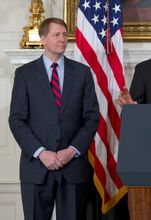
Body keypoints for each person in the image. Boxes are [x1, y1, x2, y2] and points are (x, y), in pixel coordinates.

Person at [8, 17, 99, 220]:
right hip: (36, 168)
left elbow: (91, 118)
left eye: (65, 35)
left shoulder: (83, 73)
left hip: (73, 167)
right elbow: (17, 120)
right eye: (56, 35)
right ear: (43, 39)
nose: (62, 39)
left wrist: (72, 150)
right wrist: (41, 152)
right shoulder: (25, 74)